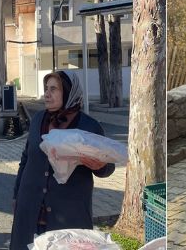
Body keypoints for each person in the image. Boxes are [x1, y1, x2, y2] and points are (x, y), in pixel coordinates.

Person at [9, 70, 115, 249]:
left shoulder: (88, 126)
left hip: (69, 212)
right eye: (46, 88)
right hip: (30, 206)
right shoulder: (37, 120)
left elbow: (108, 166)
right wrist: (16, 195)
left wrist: (100, 166)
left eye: (53, 89)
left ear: (67, 92)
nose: (47, 94)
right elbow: (26, 159)